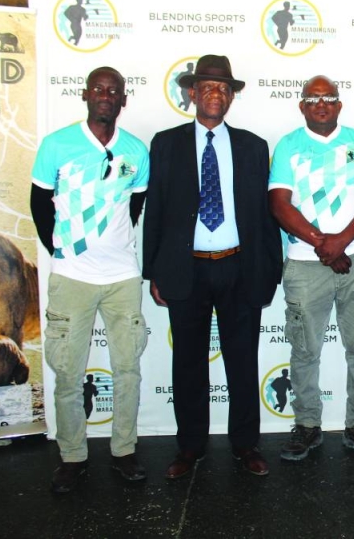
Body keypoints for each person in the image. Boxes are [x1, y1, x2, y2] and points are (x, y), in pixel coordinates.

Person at [143, 55, 282, 479]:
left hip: (239, 267)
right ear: (192, 93)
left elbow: (264, 215)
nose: (215, 95)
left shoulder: (253, 146)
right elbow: (156, 210)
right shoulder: (166, 143)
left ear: (231, 96)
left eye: (223, 88)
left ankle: (245, 444)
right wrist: (154, 271)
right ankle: (190, 447)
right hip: (186, 270)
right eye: (207, 87)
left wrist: (269, 270)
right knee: (187, 362)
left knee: (242, 361)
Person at [30, 66, 149, 493]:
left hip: (122, 277)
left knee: (128, 368)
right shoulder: (57, 144)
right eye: (98, 88)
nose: (105, 95)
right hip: (72, 277)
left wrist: (113, 245)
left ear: (123, 100)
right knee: (67, 371)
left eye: (114, 90)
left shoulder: (136, 150)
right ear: (85, 94)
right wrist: (62, 250)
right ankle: (72, 457)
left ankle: (124, 451)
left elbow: (135, 206)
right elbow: (39, 203)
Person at [269, 75, 354, 461]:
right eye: (312, 98)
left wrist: (342, 241)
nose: (321, 104)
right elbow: (279, 203)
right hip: (306, 263)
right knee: (305, 349)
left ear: (339, 104)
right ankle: (307, 425)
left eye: (328, 98)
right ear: (301, 106)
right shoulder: (288, 146)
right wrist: (323, 243)